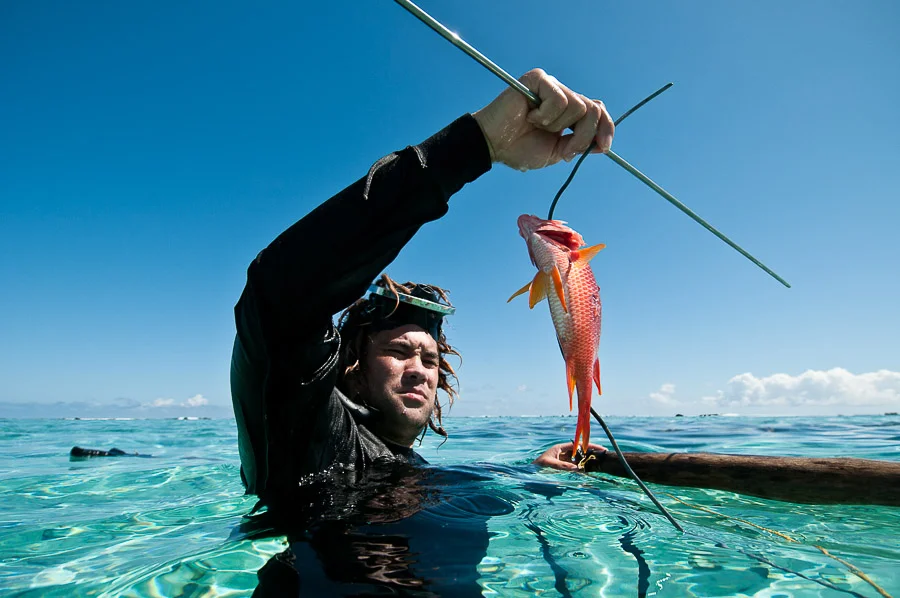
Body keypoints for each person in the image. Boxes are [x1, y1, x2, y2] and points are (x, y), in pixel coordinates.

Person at [229, 68, 613, 507]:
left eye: (429, 359)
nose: (419, 370)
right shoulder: (311, 438)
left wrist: (535, 473)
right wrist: (480, 142)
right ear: (351, 364)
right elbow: (281, 291)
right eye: (397, 352)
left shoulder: (411, 471)